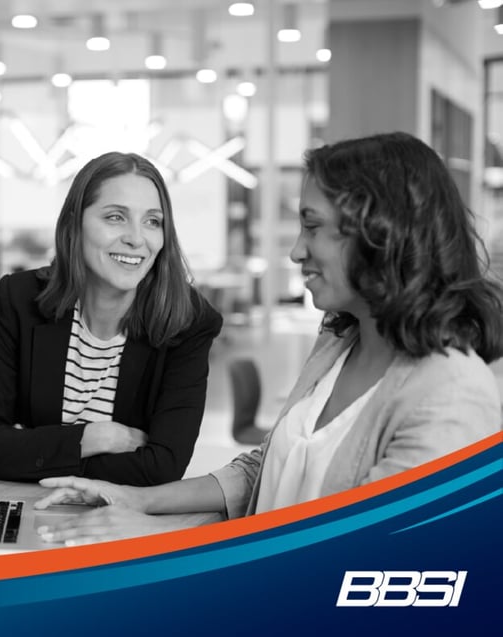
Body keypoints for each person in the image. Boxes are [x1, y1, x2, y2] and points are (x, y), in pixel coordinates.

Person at [33, 132, 503, 545]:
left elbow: (361, 559)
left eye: (312, 226)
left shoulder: (452, 399)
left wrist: (163, 536)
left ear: (383, 235)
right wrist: (136, 500)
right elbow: (270, 470)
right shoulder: (341, 339)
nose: (297, 251)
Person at [0, 152, 223, 486]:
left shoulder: (188, 321)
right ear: (73, 224)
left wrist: (30, 453)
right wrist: (91, 439)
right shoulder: (20, 300)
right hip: (25, 511)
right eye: (115, 217)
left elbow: (161, 466)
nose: (137, 239)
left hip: (119, 521)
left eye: (153, 221)